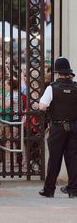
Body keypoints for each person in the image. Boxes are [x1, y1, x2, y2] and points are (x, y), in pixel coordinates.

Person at [38, 57, 77, 198]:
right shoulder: (76, 87)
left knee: (54, 159)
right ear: (69, 73)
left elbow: (42, 106)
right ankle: (73, 189)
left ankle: (49, 190)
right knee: (73, 159)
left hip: (58, 127)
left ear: (57, 73)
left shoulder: (52, 88)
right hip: (74, 127)